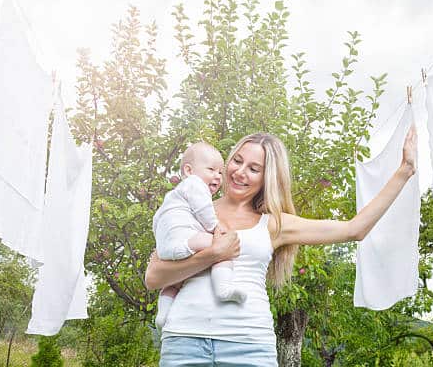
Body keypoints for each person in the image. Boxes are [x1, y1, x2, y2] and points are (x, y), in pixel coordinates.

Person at [145, 130, 418, 366]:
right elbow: (154, 278)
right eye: (237, 161)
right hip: (184, 341)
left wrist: (404, 171)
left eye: (253, 169)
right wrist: (215, 254)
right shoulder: (190, 209)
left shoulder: (274, 224)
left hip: (248, 345)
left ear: (267, 178)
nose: (240, 172)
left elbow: (354, 229)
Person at [153, 142, 248, 330]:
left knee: (174, 281)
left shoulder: (172, 197)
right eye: (211, 169)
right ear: (188, 170)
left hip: (166, 247)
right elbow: (204, 209)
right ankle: (223, 288)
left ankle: (163, 315)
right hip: (186, 239)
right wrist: (215, 228)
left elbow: (157, 221)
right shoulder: (195, 184)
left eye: (220, 172)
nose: (217, 176)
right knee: (223, 248)